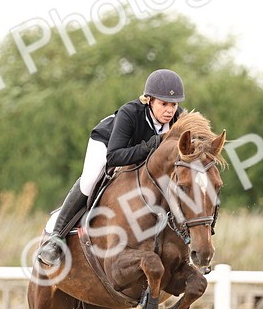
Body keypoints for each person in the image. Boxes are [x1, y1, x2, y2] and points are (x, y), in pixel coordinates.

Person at [36, 68, 186, 266]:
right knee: (90, 181)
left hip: (139, 153)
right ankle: (55, 238)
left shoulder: (179, 118)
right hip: (108, 143)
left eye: (173, 105)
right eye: (163, 104)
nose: (169, 110)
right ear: (149, 100)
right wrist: (151, 145)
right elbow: (114, 156)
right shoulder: (129, 113)